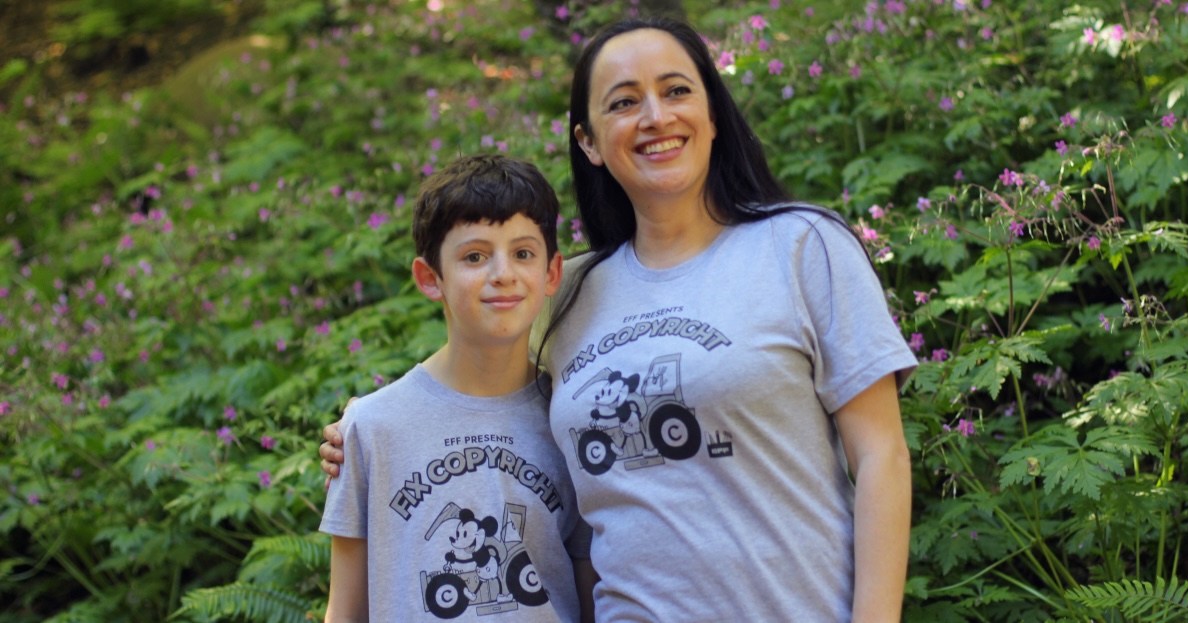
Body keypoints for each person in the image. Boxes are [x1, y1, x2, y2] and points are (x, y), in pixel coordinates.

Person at [323, 16, 916, 622]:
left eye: (677, 90)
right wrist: (372, 435)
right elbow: (486, 380)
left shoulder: (803, 246)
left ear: (713, 114)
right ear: (589, 142)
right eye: (625, 102)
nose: (656, 116)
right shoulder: (569, 291)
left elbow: (882, 458)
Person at [320, 154, 595, 623]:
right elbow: (345, 611)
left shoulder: (571, 417)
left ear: (552, 273)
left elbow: (593, 595)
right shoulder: (370, 429)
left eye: (523, 253)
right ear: (431, 279)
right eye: (474, 256)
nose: (503, 273)